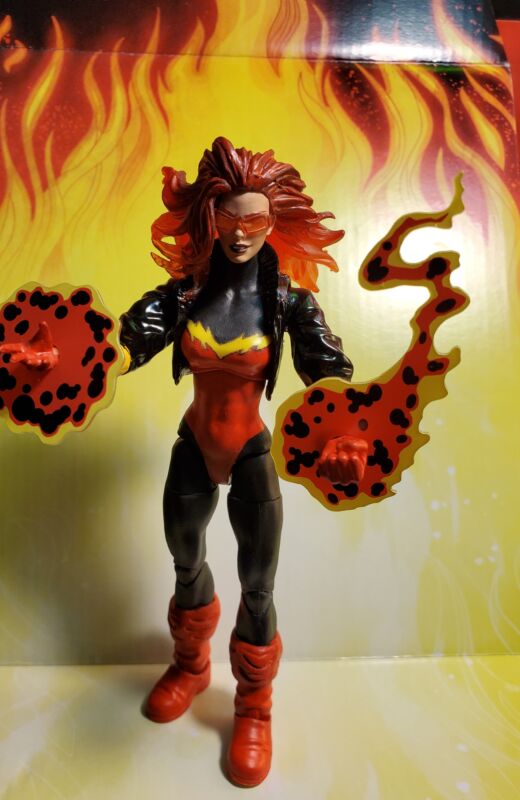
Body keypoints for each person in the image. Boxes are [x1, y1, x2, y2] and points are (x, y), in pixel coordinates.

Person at [119, 136, 365, 787]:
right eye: (228, 217)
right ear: (209, 216)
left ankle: (254, 705)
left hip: (253, 449)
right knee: (185, 558)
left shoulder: (287, 301)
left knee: (259, 583)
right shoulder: (185, 295)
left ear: (274, 220)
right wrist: (63, 358)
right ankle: (191, 664)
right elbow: (121, 343)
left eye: (254, 220)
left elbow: (328, 373)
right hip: (194, 445)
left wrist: (344, 428)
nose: (239, 233)